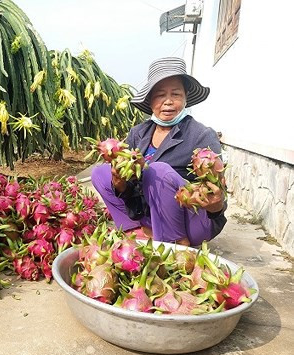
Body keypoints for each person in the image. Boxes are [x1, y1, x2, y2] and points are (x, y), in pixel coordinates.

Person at [91, 57, 227, 247]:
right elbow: (128, 186)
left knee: (158, 171)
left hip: (192, 220)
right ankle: (135, 230)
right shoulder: (138, 133)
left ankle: (176, 244)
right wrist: (120, 183)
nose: (168, 102)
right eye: (160, 95)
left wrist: (216, 205)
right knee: (100, 173)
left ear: (186, 98)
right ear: (150, 100)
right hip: (148, 212)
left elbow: (217, 192)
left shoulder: (202, 135)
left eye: (176, 94)